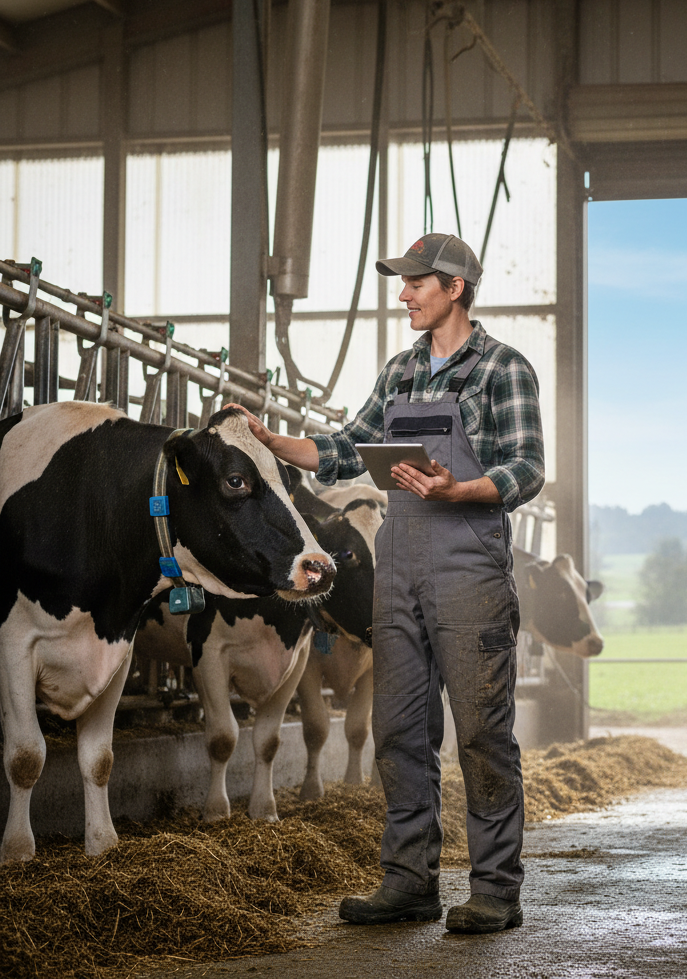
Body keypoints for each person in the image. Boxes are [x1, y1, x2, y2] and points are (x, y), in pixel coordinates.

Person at [227, 233, 544, 934]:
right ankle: (408, 882)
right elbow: (346, 449)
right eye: (402, 283)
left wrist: (460, 488)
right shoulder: (400, 370)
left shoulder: (503, 368)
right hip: (396, 571)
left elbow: (527, 467)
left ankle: (496, 889)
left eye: (416, 283)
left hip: (469, 572)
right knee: (399, 731)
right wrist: (275, 443)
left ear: (455, 288)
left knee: (482, 735)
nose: (403, 295)